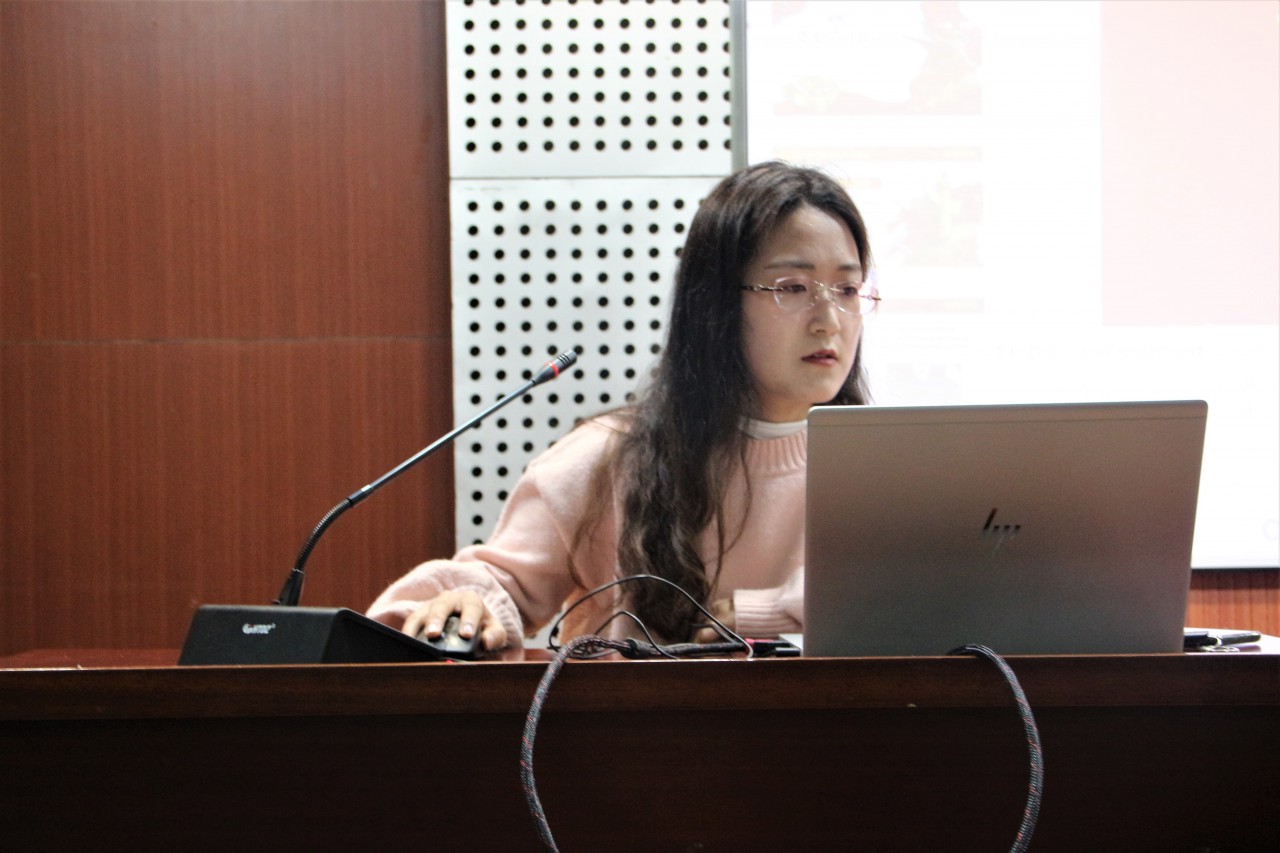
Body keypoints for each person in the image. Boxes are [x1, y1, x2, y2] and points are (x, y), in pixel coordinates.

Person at [367, 161, 877, 655]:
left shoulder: (884, 467)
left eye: (848, 289)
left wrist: (759, 612)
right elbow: (494, 585)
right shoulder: (610, 457)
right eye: (793, 288)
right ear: (716, 304)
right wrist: (467, 604)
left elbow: (908, 609)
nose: (829, 320)